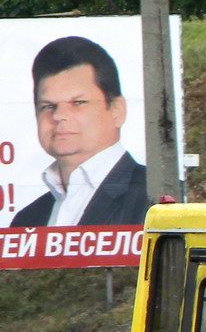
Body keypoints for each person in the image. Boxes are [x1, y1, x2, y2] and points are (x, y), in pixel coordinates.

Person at [11, 36, 149, 228]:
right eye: (48, 106)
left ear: (117, 110)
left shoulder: (156, 197)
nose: (59, 116)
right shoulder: (28, 220)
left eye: (78, 103)